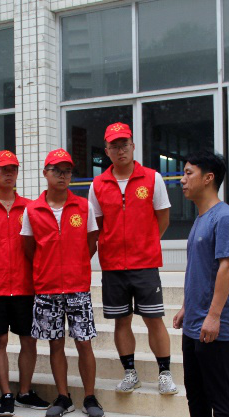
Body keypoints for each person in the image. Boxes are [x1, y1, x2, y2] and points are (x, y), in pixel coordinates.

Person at [169, 151, 229, 417]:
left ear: (208, 178)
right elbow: (200, 269)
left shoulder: (224, 218)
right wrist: (187, 307)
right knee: (196, 391)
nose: (182, 179)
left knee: (219, 394)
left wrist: (214, 316)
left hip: (215, 325)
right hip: (195, 321)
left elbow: (227, 267)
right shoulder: (201, 218)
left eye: (188, 173)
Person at [89, 122, 177, 395]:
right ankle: (130, 373)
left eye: (124, 144)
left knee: (154, 319)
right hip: (113, 265)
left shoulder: (152, 178)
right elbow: (98, 225)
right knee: (121, 320)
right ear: (107, 151)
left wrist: (145, 242)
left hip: (145, 264)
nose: (120, 150)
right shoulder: (98, 184)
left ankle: (165, 373)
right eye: (114, 146)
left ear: (133, 146)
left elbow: (163, 218)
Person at [21, 149, 104, 417]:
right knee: (55, 344)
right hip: (46, 289)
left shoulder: (83, 206)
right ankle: (63, 396)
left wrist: (75, 264)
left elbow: (91, 242)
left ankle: (89, 397)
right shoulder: (32, 210)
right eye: (56, 170)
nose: (62, 175)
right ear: (45, 173)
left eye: (67, 171)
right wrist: (48, 267)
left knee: (84, 343)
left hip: (77, 286)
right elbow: (29, 248)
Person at [0, 151, 48, 416]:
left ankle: (24, 392)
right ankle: (6, 393)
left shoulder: (30, 207)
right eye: (3, 169)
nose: (8, 173)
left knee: (29, 340)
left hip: (26, 286)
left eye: (13, 169)